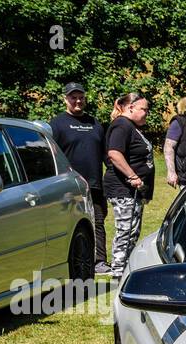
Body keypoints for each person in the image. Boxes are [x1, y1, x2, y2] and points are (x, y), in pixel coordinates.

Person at [50, 82, 110, 275]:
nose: (78, 101)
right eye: (73, 97)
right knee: (70, 224)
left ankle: (100, 262)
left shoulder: (95, 124)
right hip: (68, 185)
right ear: (65, 99)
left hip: (94, 184)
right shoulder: (57, 124)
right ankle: (71, 262)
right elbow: (51, 154)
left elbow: (105, 155)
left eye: (81, 97)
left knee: (98, 222)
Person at [103, 93, 155, 278]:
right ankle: (118, 272)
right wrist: (132, 176)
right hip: (123, 189)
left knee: (133, 230)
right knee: (125, 230)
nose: (146, 113)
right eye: (144, 109)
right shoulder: (122, 125)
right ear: (130, 107)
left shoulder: (130, 126)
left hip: (134, 191)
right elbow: (114, 154)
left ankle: (126, 268)